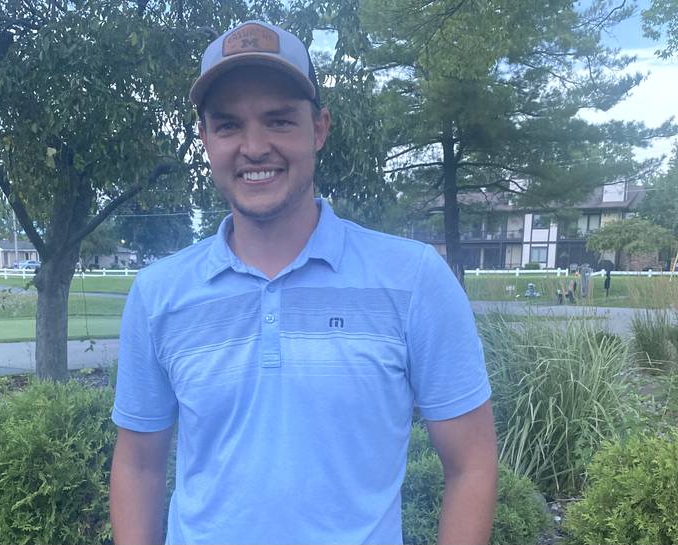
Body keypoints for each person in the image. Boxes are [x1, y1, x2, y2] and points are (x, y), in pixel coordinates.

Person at [109, 20, 497, 545]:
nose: (254, 146)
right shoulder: (158, 294)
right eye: (227, 125)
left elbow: (471, 464)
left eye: (278, 121)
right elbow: (139, 467)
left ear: (319, 128)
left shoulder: (413, 279)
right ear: (205, 139)